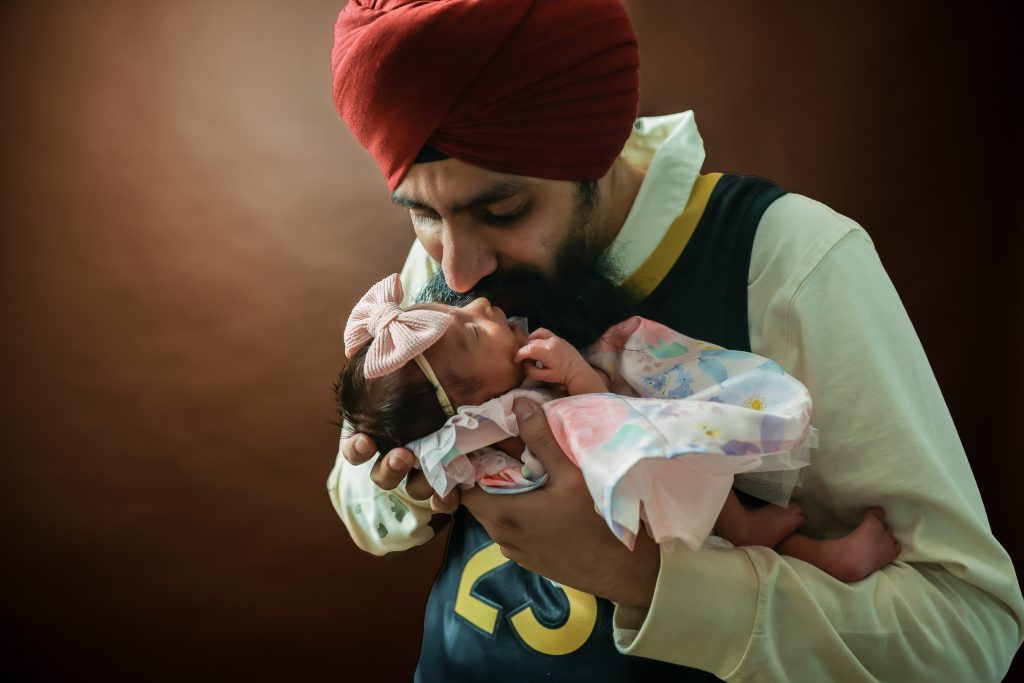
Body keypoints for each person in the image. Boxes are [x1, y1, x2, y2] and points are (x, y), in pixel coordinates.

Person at [326, 1, 1024, 680]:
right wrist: (405, 489)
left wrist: (644, 577)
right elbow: (359, 506)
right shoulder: (444, 276)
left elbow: (970, 633)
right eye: (421, 213)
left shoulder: (790, 262)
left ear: (594, 150)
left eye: (503, 208)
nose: (456, 270)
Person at [337, 273, 902, 581]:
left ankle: (790, 546)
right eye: (474, 332)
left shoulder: (491, 394)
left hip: (635, 535)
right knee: (725, 545)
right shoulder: (501, 423)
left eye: (462, 312)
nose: (478, 302)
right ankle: (804, 551)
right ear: (467, 405)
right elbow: (604, 425)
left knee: (731, 561)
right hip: (626, 518)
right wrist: (577, 375)